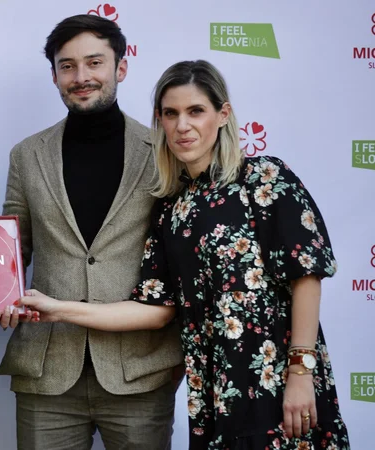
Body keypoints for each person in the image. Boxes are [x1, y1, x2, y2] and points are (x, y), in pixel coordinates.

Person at [18, 60, 351, 449]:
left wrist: (300, 371)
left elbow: (306, 276)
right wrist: (57, 309)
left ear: (222, 114)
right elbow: (155, 308)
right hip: (212, 386)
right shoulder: (171, 207)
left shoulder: (264, 178)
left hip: (277, 376)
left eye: (196, 111)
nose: (182, 126)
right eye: (170, 114)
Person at [0, 14, 182, 450]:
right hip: (47, 370)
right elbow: (11, 247)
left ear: (121, 68)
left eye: (94, 62)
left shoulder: (166, 151)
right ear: (54, 75)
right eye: (68, 65)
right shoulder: (27, 155)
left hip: (140, 369)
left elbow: (179, 254)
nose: (81, 77)